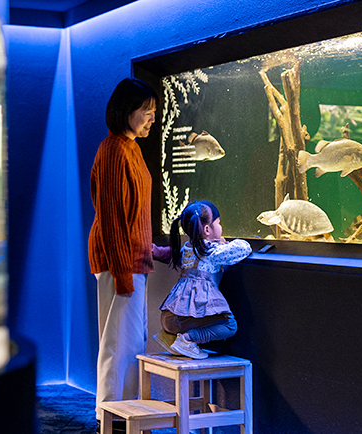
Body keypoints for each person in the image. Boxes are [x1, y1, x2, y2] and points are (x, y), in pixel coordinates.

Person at [88, 78, 170, 431]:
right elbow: (111, 217)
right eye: (146, 111)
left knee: (130, 342)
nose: (152, 118)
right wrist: (123, 273)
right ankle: (110, 417)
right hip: (117, 263)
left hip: (132, 261)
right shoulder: (112, 150)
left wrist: (150, 249)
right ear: (127, 111)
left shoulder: (132, 148)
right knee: (117, 344)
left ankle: (124, 414)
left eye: (153, 112)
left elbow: (134, 214)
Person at [154, 201, 251, 359]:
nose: (221, 228)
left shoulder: (187, 249)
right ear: (207, 229)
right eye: (219, 223)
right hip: (182, 321)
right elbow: (244, 247)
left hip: (167, 320)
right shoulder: (212, 251)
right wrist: (223, 242)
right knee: (230, 325)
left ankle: (170, 337)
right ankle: (187, 339)